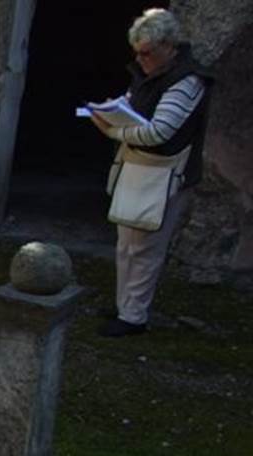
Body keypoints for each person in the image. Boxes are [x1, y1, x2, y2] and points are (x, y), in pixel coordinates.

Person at [90, 8, 213, 337]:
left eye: (147, 53)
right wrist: (108, 110)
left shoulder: (187, 80)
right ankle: (124, 305)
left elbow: (160, 132)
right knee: (127, 244)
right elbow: (131, 107)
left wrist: (112, 131)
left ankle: (134, 317)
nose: (141, 59)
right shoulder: (148, 74)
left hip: (164, 174)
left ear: (169, 46)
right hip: (138, 168)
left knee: (146, 246)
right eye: (138, 53)